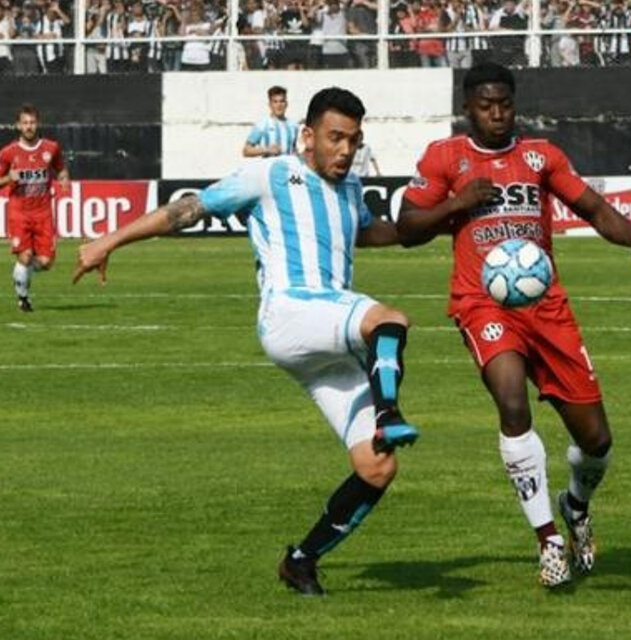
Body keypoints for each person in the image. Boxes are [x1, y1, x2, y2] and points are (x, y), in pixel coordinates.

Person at [73, 87, 420, 597]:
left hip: (325, 343)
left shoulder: (350, 190)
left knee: (377, 466)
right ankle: (389, 413)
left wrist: (444, 218)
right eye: (335, 138)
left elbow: (374, 233)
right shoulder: (272, 174)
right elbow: (187, 210)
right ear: (308, 135)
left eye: (353, 140)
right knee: (388, 320)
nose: (345, 150)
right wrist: (108, 240)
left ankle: (301, 561)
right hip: (289, 315)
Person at [396, 63, 631, 588]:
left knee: (597, 442)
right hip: (483, 305)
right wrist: (458, 203)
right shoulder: (444, 158)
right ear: (467, 107)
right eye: (485, 105)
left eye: (504, 103)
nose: (496, 113)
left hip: (547, 310)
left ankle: (575, 506)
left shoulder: (540, 156)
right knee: (512, 404)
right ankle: (548, 541)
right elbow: (408, 227)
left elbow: (591, 207)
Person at [0, 104, 68, 313]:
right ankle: (23, 299)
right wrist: (8, 178)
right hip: (19, 213)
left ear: (37, 124)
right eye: (25, 123)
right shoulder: (8, 153)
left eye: (32, 122)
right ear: (18, 126)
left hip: (43, 213)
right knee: (26, 255)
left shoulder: (51, 148)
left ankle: (22, 273)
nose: (29, 127)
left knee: (46, 262)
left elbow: (61, 168)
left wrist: (64, 178)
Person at [243, 85, 300, 158]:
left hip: (288, 168)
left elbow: (295, 149)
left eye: (282, 101)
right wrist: (267, 150)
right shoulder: (262, 125)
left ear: (286, 104)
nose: (279, 105)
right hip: (268, 168)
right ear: (270, 105)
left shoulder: (293, 126)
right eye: (275, 102)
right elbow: (246, 150)